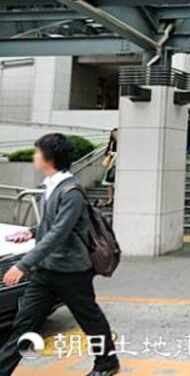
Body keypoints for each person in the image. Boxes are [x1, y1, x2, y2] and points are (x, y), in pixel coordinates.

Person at [0, 133, 119, 376]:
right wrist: (32, 231)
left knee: (90, 319)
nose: (34, 156)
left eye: (37, 152)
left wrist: (23, 265)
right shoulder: (52, 185)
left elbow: (59, 232)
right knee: (24, 324)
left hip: (72, 272)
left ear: (49, 158)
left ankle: (107, 363)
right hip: (46, 271)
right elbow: (52, 224)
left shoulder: (71, 190)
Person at [98, 128, 117, 208]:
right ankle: (110, 199)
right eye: (114, 133)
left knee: (113, 183)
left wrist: (113, 153)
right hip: (111, 165)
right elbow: (106, 153)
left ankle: (114, 199)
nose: (115, 135)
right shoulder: (111, 143)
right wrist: (110, 153)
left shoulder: (122, 143)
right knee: (109, 183)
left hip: (117, 165)